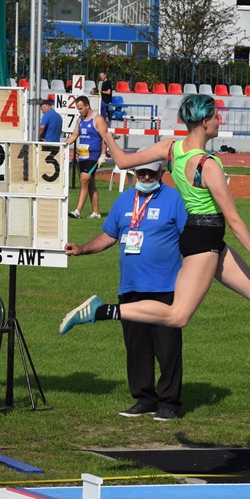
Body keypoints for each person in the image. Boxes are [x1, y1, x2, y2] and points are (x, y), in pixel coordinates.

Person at [60, 93, 250, 381]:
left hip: (205, 239)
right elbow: (233, 219)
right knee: (178, 315)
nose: (219, 121)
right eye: (216, 116)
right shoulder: (208, 165)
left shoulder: (171, 149)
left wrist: (106, 134)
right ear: (205, 122)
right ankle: (101, 311)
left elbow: (122, 161)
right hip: (203, 242)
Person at [65, 160, 189, 420]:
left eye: (151, 172)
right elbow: (109, 235)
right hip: (130, 287)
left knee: (167, 348)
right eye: (141, 172)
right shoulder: (124, 200)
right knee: (136, 348)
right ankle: (145, 399)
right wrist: (82, 249)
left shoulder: (175, 200)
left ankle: (168, 403)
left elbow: (189, 241)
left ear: (161, 172)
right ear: (133, 172)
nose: (146, 176)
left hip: (165, 287)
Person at [65, 95, 103, 219]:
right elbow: (74, 135)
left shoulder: (98, 119)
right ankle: (96, 213)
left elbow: (105, 138)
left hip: (93, 156)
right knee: (90, 184)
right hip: (83, 156)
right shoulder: (80, 120)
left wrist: (103, 154)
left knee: (83, 181)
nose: (79, 111)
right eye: (78, 108)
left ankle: (77, 211)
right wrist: (62, 146)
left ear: (87, 106)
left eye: (81, 108)